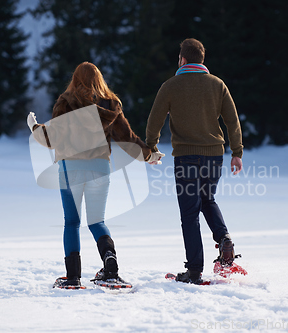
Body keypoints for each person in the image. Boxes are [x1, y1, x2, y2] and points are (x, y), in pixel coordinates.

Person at [27, 62, 164, 288]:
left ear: (75, 79)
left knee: (72, 222)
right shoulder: (111, 105)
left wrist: (34, 127)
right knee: (97, 221)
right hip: (100, 167)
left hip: (71, 168)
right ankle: (110, 268)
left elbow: (51, 138)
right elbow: (127, 137)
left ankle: (72, 278)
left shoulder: (66, 102)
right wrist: (148, 155)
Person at [146, 38, 243, 284]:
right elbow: (232, 121)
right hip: (215, 155)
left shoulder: (170, 86)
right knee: (207, 199)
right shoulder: (217, 85)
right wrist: (237, 152)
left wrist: (151, 146)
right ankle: (224, 240)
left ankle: (194, 271)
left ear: (183, 60)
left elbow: (155, 119)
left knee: (189, 213)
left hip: (186, 157)